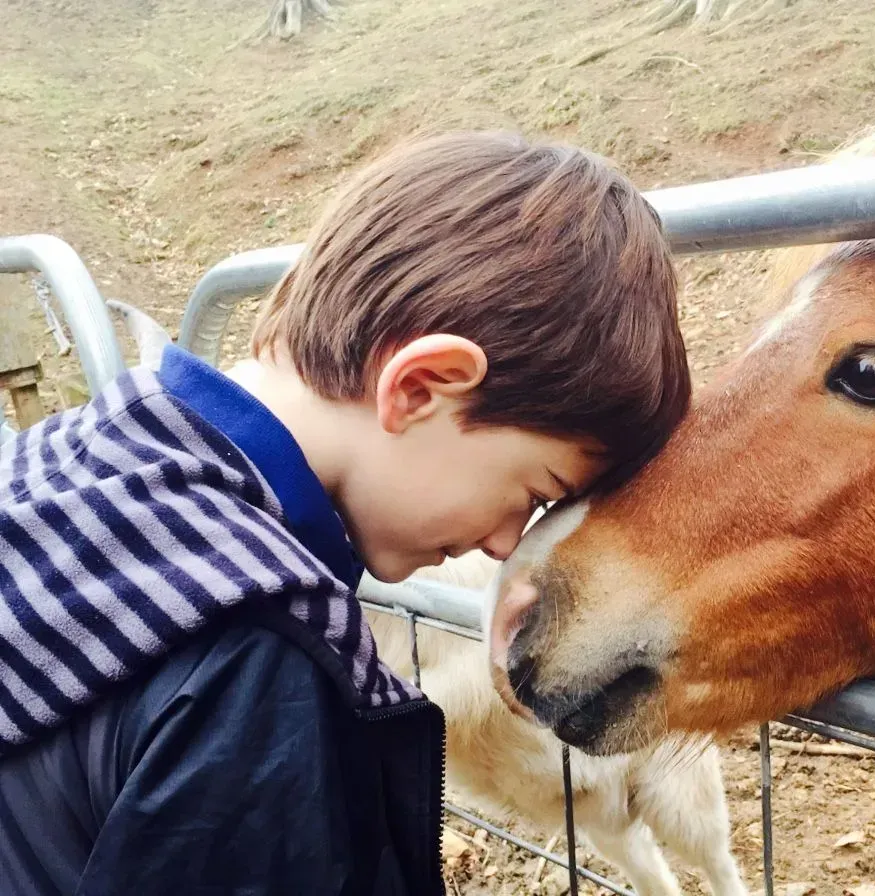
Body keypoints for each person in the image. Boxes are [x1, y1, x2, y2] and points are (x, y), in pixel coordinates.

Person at [0, 132, 691, 895]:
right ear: (422, 386)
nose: (502, 545)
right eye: (532, 494)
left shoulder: (63, 462)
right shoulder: (263, 664)